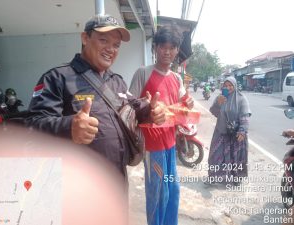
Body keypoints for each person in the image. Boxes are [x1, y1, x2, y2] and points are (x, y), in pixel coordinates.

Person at [25, 14, 166, 178]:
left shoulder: (116, 81)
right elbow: (33, 125)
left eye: (116, 45)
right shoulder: (57, 78)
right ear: (85, 38)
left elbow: (133, 107)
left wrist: (151, 110)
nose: (111, 49)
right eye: (103, 40)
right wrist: (69, 127)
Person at [129, 26, 194, 225]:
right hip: (152, 147)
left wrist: (188, 104)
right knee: (158, 194)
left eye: (172, 47)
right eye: (162, 46)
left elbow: (183, 105)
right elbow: (130, 107)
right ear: (155, 48)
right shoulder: (143, 73)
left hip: (170, 145)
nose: (167, 51)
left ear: (177, 50)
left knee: (173, 191)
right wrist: (146, 107)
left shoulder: (176, 78)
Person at [208, 76, 251, 185]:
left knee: (235, 157)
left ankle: (236, 178)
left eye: (230, 85)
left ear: (235, 85)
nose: (228, 87)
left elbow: (245, 116)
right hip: (221, 131)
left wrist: (242, 131)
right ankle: (213, 177)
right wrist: (218, 103)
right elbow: (214, 112)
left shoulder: (241, 98)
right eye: (225, 86)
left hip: (236, 133)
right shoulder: (220, 97)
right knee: (215, 154)